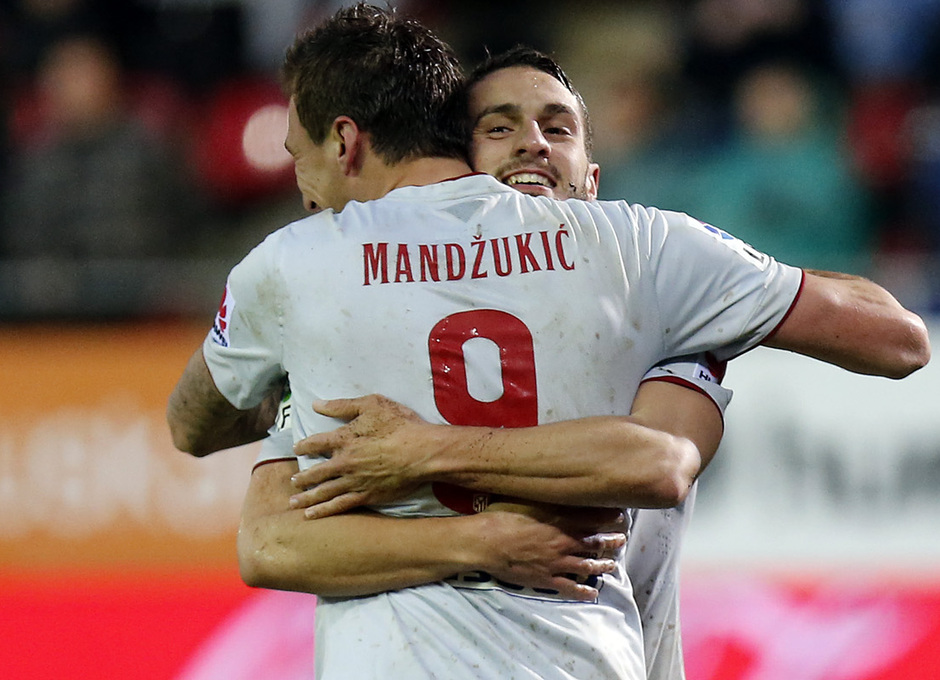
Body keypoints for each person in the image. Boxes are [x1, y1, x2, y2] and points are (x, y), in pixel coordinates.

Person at [167, 7, 929, 679]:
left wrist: (426, 451)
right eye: (498, 127)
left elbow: (659, 462)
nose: (531, 145)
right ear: (462, 160)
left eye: (556, 127)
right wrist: (481, 541)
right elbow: (266, 542)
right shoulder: (643, 261)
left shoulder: (646, 275)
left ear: (592, 176)